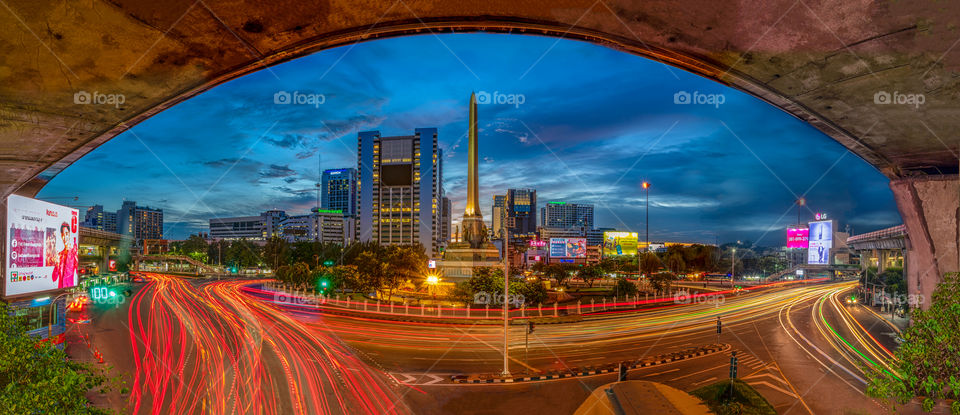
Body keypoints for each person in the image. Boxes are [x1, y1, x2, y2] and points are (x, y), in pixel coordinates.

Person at [51, 222, 77, 289]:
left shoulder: (73, 253)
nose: (65, 237)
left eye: (67, 234)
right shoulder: (60, 255)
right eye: (63, 234)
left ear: (69, 234)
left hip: (69, 289)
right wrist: (57, 265)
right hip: (60, 291)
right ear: (61, 236)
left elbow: (77, 271)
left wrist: (75, 255)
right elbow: (54, 278)